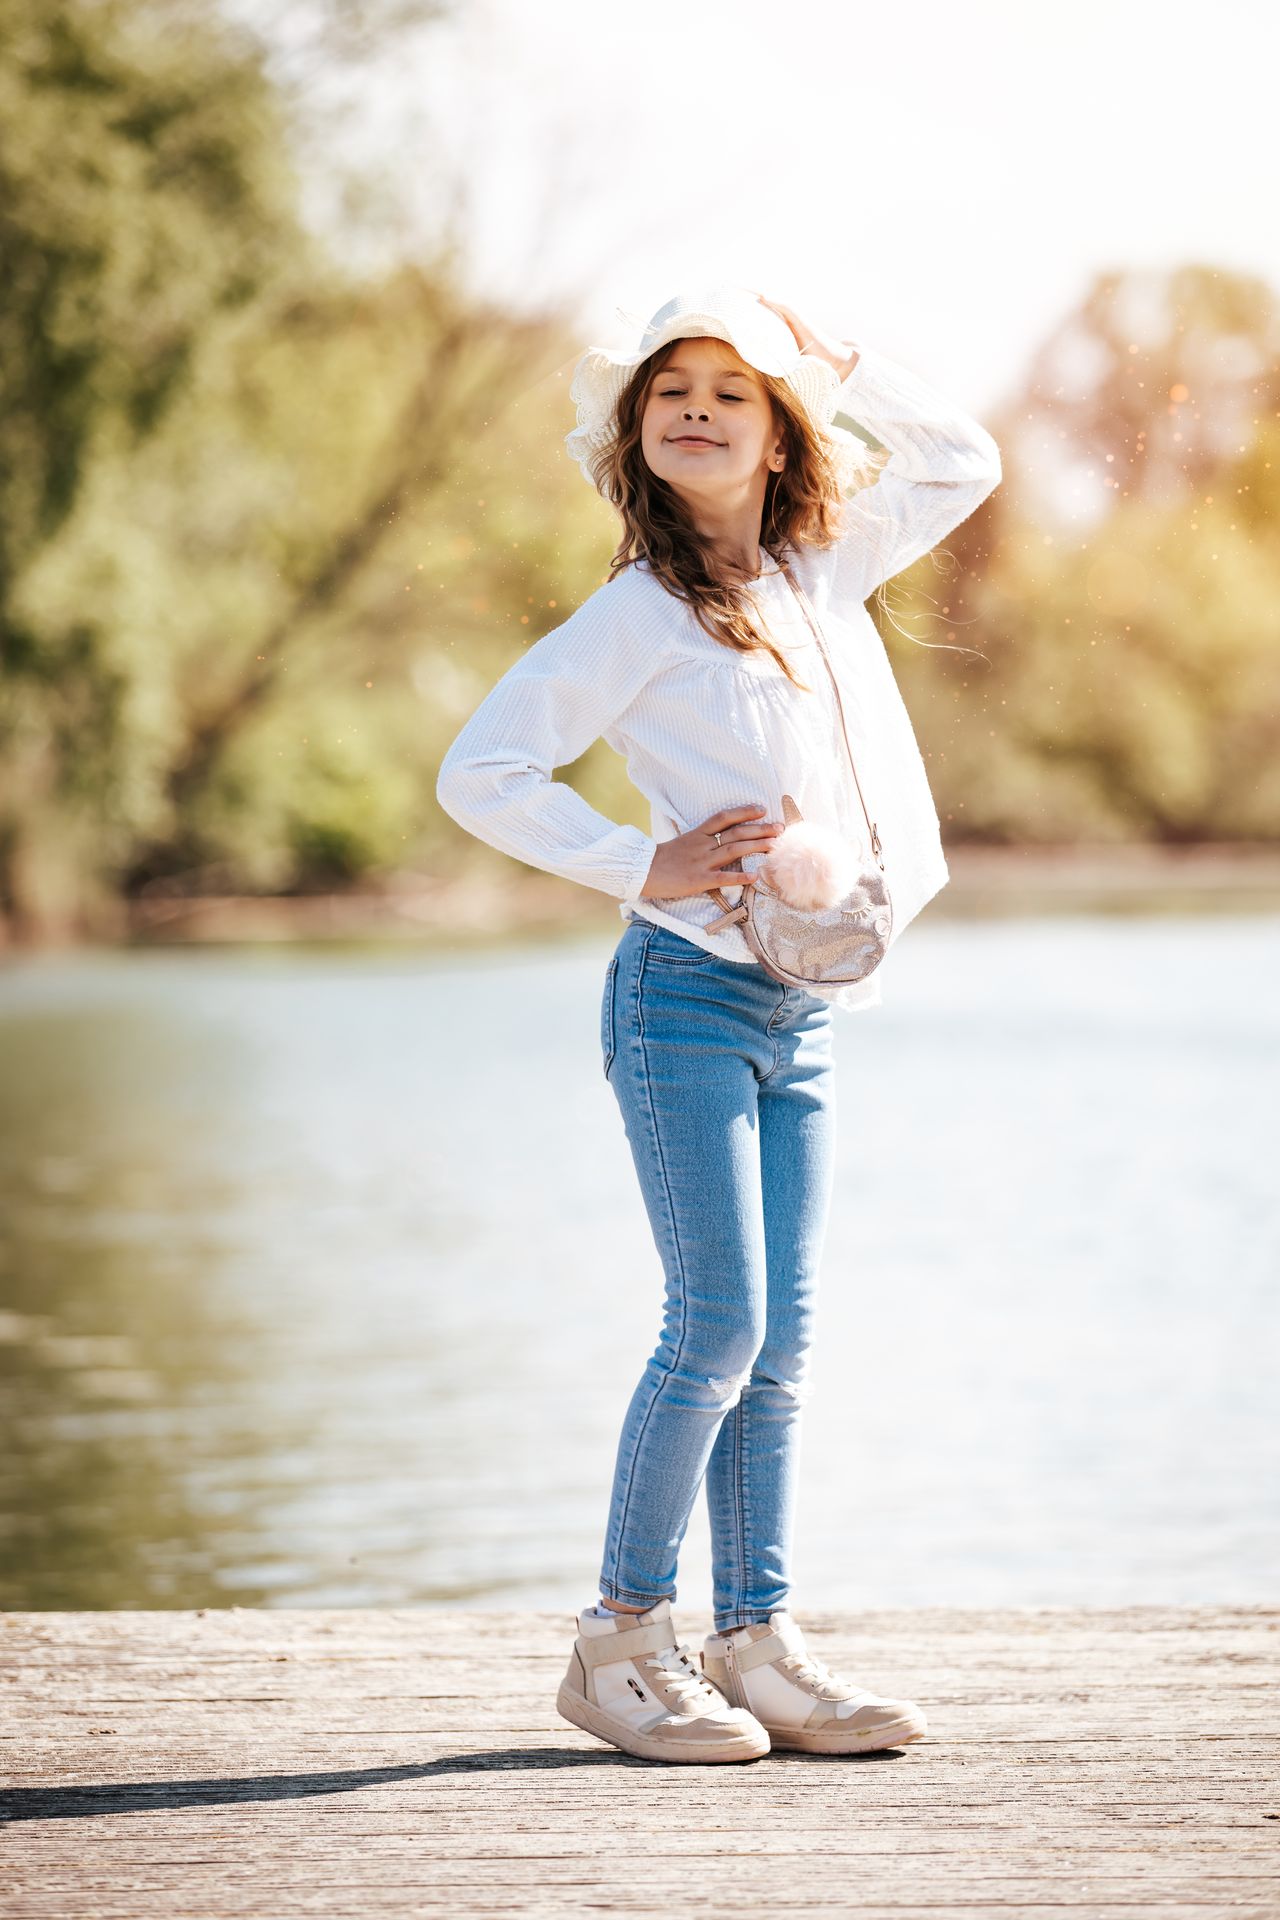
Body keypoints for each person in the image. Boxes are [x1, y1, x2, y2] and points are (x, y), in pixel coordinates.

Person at [436, 285, 1002, 1765]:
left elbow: (961, 462)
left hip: (798, 1012)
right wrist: (641, 860)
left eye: (728, 392)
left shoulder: (819, 573)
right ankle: (620, 1643)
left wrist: (842, 352)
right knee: (721, 1325)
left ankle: (757, 1642)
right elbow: (481, 770)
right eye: (666, 389)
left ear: (775, 437)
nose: (692, 405)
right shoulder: (632, 615)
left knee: (786, 1341)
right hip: (679, 996)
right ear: (635, 433)